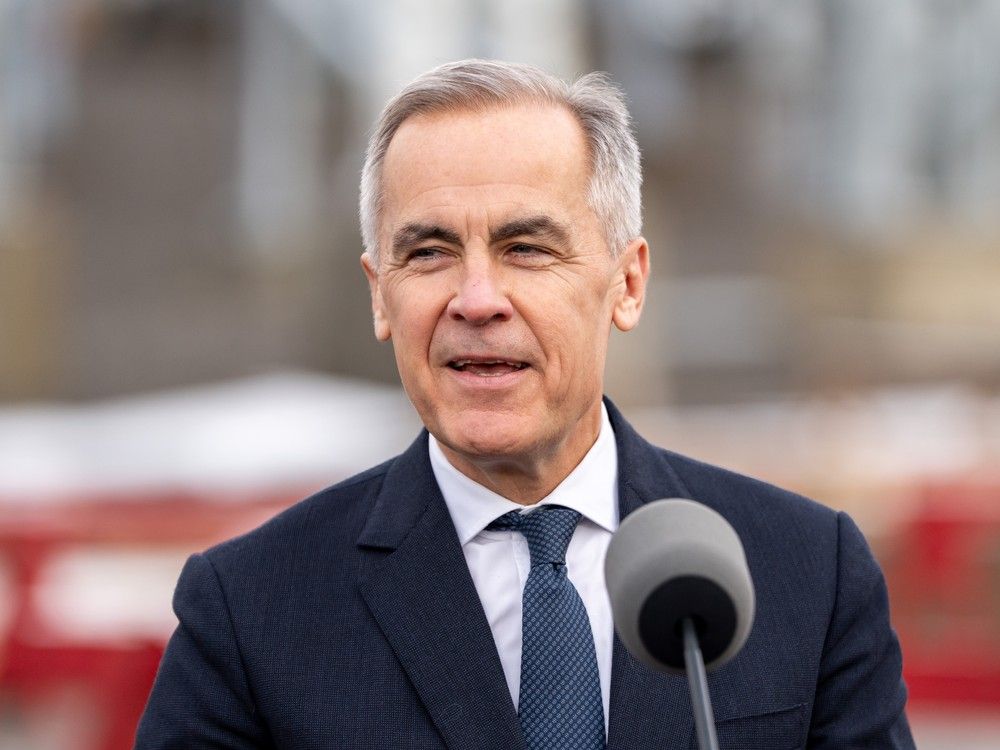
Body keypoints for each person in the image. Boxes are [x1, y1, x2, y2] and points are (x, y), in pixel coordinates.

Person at [135, 59, 915, 749]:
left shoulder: (809, 575)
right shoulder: (252, 610)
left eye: (526, 249)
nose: (476, 300)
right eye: (429, 252)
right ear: (380, 297)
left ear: (628, 283)